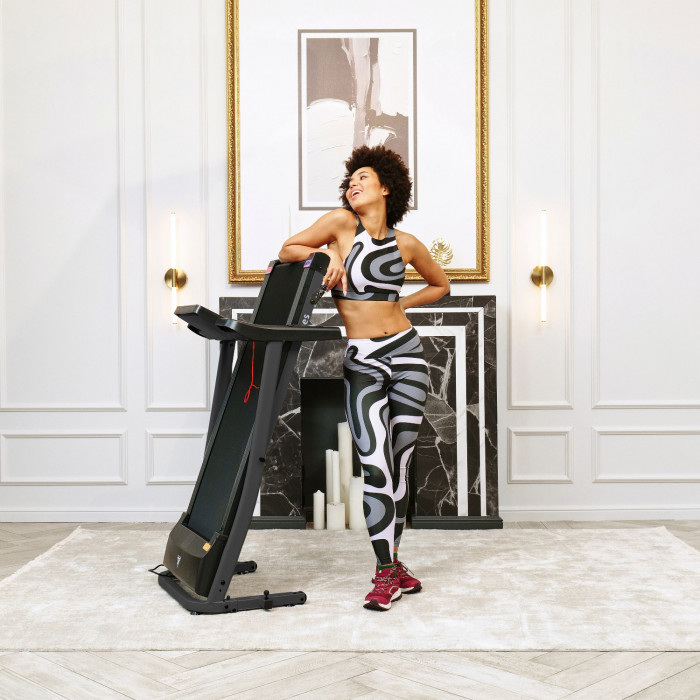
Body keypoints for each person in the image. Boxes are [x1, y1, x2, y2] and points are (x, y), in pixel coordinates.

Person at [279, 145, 450, 610]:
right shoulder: (340, 224)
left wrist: (400, 305)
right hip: (364, 361)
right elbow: (288, 248)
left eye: (363, 178)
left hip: (407, 354)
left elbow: (441, 285)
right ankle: (387, 569)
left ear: (386, 187)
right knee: (374, 465)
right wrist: (326, 258)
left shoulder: (407, 243)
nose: (353, 184)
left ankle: (389, 567)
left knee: (401, 465)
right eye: (350, 180)